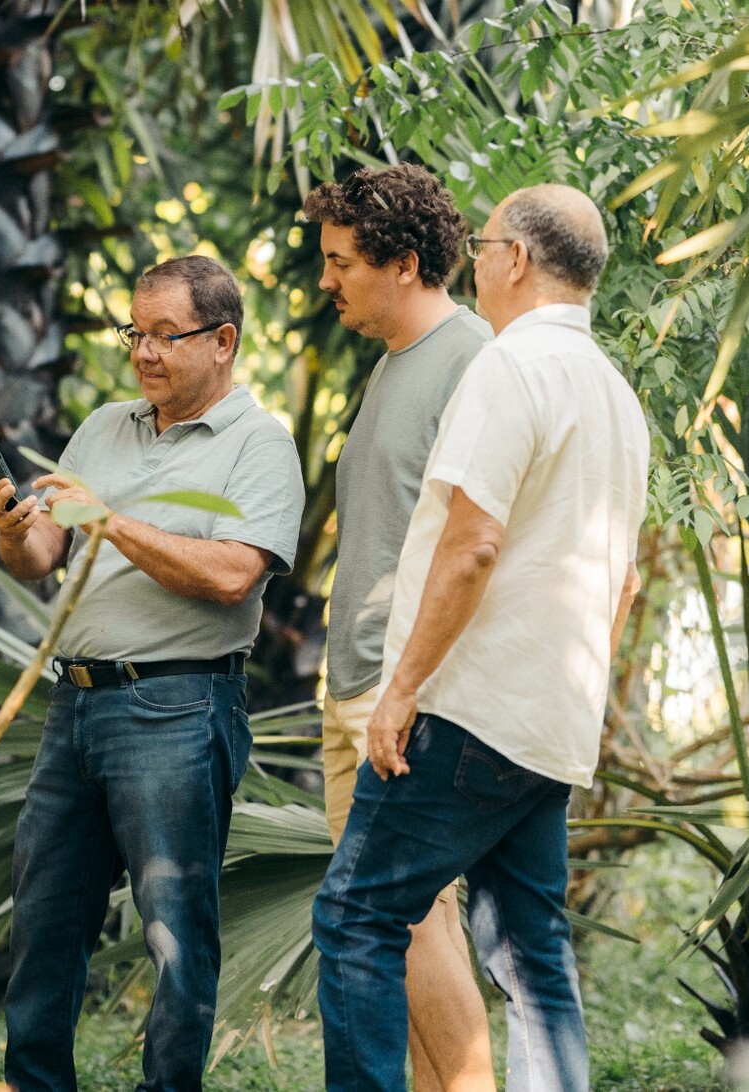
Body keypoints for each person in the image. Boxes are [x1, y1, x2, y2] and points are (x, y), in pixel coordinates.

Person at [312, 184, 649, 1092]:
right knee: (534, 956)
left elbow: (473, 542)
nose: (478, 255)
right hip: (550, 727)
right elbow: (623, 582)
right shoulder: (616, 394)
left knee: (355, 918)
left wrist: (403, 688)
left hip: (467, 713)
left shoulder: (508, 366)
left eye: (485, 240)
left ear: (514, 260)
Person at [0, 255, 304, 1092]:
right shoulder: (102, 428)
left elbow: (235, 574)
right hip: (75, 704)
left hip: (178, 705)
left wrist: (113, 522)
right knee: (46, 918)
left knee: (174, 933)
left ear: (224, 340)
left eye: (168, 334)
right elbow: (43, 555)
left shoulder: (260, 444)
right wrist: (14, 529)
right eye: (136, 331)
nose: (145, 351)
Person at [302, 164, 496, 1092]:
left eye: (342, 262)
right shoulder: (393, 366)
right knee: (406, 927)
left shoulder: (471, 361)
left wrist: (411, 688)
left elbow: (484, 542)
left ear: (405, 262)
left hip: (406, 693)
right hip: (357, 688)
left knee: (410, 922)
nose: (326, 281)